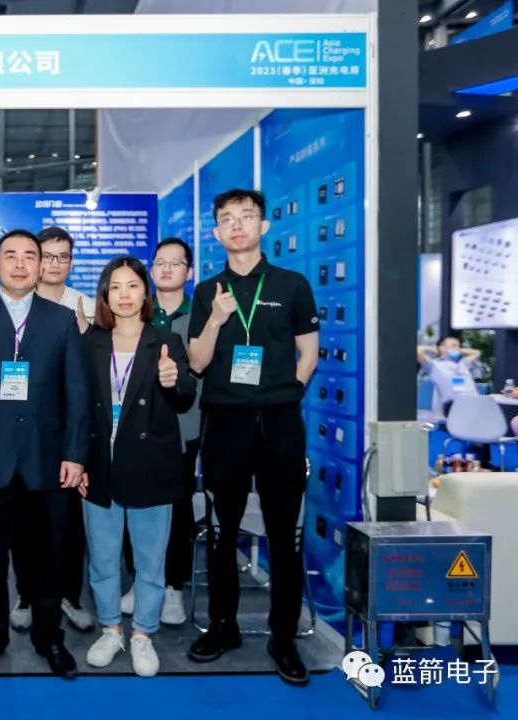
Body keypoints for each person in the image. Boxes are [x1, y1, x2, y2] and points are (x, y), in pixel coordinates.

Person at [186, 189, 319, 686]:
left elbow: (309, 353)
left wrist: (283, 393)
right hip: (225, 421)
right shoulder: (208, 291)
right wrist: (217, 319)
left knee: (285, 534)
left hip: (280, 421)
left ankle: (283, 637)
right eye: (227, 219)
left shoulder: (292, 284)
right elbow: (197, 362)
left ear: (263, 226)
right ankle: (222, 626)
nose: (237, 225)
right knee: (222, 532)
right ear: (216, 232)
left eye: (247, 217)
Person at [0, 229, 90, 679]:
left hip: (45, 459)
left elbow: (78, 391)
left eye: (30, 256)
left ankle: (51, 640)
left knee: (47, 557)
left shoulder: (62, 319)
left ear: (41, 265)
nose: (21, 264)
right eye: (11, 256)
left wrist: (75, 454)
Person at [80, 256, 196, 677]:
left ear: (145, 292)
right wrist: (76, 460)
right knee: (103, 558)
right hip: (99, 465)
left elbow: (185, 395)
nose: (124, 295)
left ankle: (144, 633)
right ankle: (111, 629)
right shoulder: (90, 343)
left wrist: (174, 379)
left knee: (150, 560)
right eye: (115, 287)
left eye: (132, 285)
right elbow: (77, 407)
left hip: (151, 464)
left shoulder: (166, 341)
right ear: (105, 295)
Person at [10, 225, 95, 634]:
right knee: (24, 522)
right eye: (48, 255)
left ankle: (68, 594)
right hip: (25, 435)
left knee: (68, 525)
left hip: (69, 434)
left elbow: (92, 378)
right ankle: (26, 593)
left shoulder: (88, 307)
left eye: (64, 256)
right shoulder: (16, 306)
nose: (55, 264)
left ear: (71, 262)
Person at [120, 237, 201, 626]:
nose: (167, 269)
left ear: (190, 271)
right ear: (151, 270)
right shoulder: (136, 310)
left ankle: (172, 586)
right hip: (137, 428)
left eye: (175, 263)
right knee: (132, 505)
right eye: (160, 263)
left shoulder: (202, 314)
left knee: (178, 510)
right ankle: (139, 579)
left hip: (184, 428)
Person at [417, 337, 480, 417]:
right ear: (441, 347)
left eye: (458, 346)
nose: (456, 348)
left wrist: (458, 350)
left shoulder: (463, 363)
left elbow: (477, 353)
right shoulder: (434, 365)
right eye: (453, 345)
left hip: (475, 402)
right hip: (455, 405)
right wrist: (436, 350)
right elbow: (418, 350)